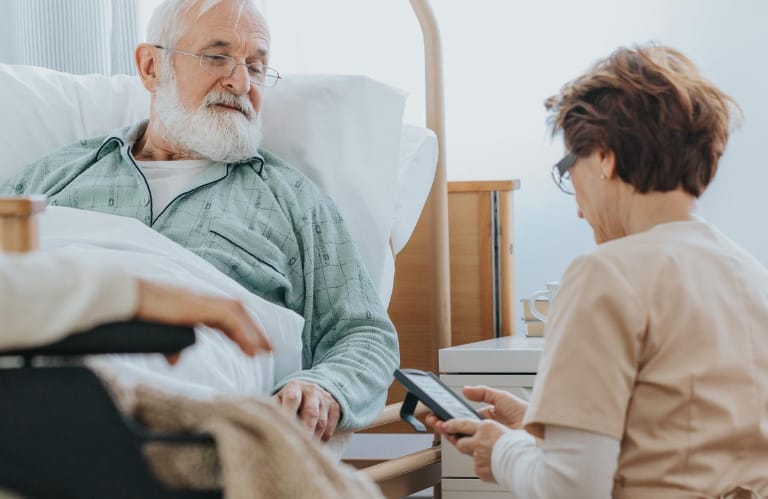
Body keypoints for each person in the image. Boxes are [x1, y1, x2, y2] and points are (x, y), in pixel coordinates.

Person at [0, 0, 398, 440]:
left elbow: (364, 334)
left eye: (256, 66)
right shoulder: (56, 174)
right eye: (217, 56)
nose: (241, 81)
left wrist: (325, 387)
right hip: (43, 345)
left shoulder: (295, 200)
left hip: (183, 375)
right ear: (151, 66)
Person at [429, 45, 768, 498]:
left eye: (569, 168)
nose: (578, 210)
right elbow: (683, 434)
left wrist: (503, 451)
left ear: (605, 157)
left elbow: (571, 488)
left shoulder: (605, 275)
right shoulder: (749, 274)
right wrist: (541, 423)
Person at [0, 251, 271, 360]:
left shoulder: (291, 196)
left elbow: (315, 336)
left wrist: (312, 380)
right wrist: (136, 295)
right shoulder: (51, 171)